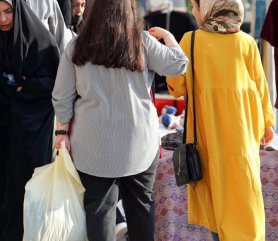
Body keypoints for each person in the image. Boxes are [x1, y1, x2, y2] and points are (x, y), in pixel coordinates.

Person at [52, 0, 188, 240]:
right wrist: (168, 36)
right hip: (139, 144)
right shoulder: (142, 42)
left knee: (99, 210)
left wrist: (61, 133)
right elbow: (178, 65)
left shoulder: (76, 47)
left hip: (93, 146)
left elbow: (61, 96)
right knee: (141, 208)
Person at [166, 0, 275, 240]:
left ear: (206, 8)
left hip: (209, 140)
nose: (194, 12)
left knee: (218, 209)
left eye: (194, 7)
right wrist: (267, 124)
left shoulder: (191, 41)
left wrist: (170, 43)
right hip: (243, 141)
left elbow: (175, 87)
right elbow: (261, 88)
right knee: (244, 207)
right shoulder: (246, 42)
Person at [0, 0, 60, 240]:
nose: (2, 20)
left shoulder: (38, 38)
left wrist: (27, 86)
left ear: (18, 10)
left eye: (8, 12)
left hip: (31, 128)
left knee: (25, 193)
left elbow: (56, 80)